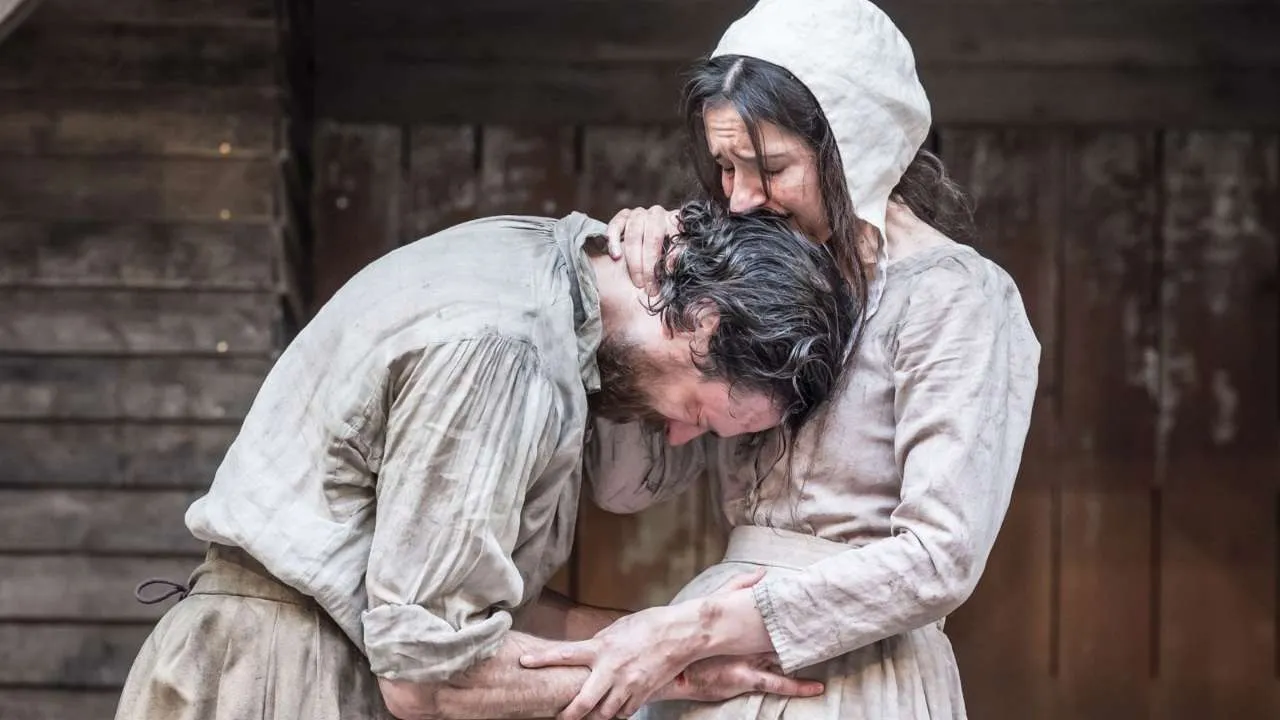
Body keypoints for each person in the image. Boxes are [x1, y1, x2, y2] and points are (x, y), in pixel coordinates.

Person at [112, 200, 854, 720]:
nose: (683, 437)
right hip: (279, 680)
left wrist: (659, 641)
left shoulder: (539, 266)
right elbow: (424, 676)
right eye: (699, 408)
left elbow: (475, 615)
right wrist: (667, 669)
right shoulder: (509, 353)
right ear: (702, 317)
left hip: (290, 656)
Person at [519, 0, 1043, 718]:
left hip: (855, 675)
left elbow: (939, 558)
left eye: (769, 167)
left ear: (855, 147)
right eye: (725, 166)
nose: (738, 199)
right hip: (716, 670)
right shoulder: (746, 282)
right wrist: (632, 304)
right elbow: (625, 487)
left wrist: (701, 626)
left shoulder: (955, 296)